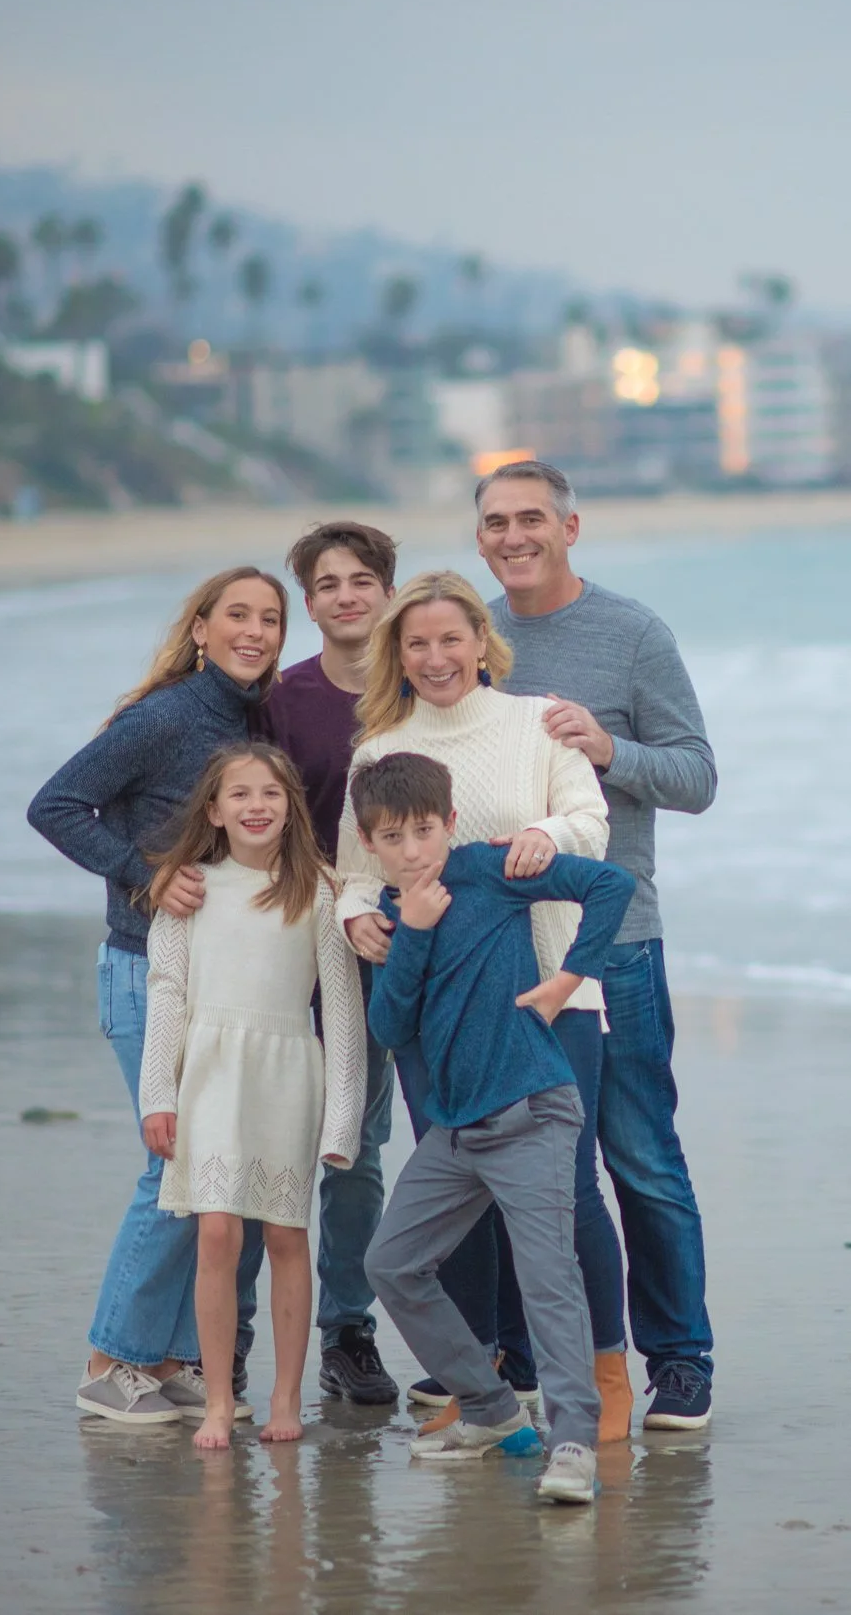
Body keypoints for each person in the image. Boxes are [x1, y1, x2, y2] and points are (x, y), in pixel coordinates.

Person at [334, 570, 637, 1441]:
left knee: (569, 1193)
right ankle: (488, 1384)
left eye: (450, 638)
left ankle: (604, 1369)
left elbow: (590, 819)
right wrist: (358, 918)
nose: (435, 657)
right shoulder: (378, 748)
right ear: (397, 651)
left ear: (480, 641)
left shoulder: (534, 720)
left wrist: (548, 834)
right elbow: (359, 871)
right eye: (416, 643)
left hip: (546, 989)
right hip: (436, 1003)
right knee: (455, 1190)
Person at [475, 459, 721, 1431]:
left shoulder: (631, 634)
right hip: (500, 945)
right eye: (495, 520)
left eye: (531, 517)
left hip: (613, 940)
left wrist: (610, 751)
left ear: (571, 527)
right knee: (512, 1160)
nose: (513, 534)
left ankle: (681, 1360)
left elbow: (698, 775)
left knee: (638, 1154)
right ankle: (522, 1355)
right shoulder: (471, 637)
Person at [27, 566, 288, 1424]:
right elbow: (57, 804)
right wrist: (144, 873)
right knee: (175, 1162)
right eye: (238, 616)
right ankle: (111, 1362)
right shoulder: (169, 714)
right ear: (202, 627)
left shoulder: (245, 717)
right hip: (146, 970)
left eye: (271, 620)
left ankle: (168, 1358)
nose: (255, 631)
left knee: (201, 1173)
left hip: (214, 980)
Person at [161, 521, 404, 1408]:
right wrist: (165, 873)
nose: (346, 596)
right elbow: (238, 792)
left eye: (362, 580)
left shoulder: (413, 683)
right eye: (328, 584)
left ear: (386, 590)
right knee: (251, 1146)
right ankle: (235, 1348)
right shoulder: (285, 699)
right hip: (288, 936)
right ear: (310, 605)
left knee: (355, 1150)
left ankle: (349, 1334)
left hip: (392, 940)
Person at [354, 752, 634, 1504]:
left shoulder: (489, 869)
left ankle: (572, 1441)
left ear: (449, 823)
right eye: (393, 837)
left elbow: (610, 884)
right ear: (368, 841)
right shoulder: (392, 912)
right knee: (392, 1262)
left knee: (548, 1281)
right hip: (455, 1133)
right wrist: (409, 930)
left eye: (423, 831)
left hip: (531, 1111)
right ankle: (491, 1409)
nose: (412, 851)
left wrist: (571, 975)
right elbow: (388, 1024)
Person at [137, 743, 365, 1448]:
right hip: (208, 1071)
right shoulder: (189, 889)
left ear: (291, 804)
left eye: (270, 792)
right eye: (239, 794)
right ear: (214, 809)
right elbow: (167, 995)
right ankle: (214, 1399)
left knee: (288, 1232)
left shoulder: (318, 890)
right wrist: (157, 1095)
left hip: (286, 1073)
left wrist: (343, 1119)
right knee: (215, 1230)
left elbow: (345, 1010)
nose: (256, 805)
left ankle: (287, 1398)